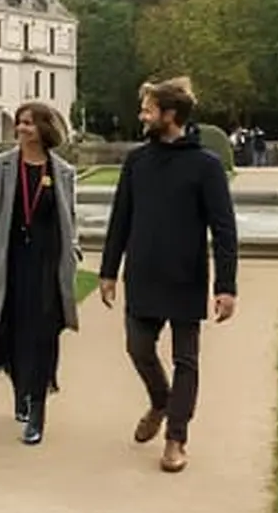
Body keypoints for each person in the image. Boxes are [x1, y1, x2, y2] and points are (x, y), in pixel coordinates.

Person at [98, 76, 238, 474]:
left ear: (169, 115)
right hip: (142, 273)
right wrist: (109, 271)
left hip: (186, 276)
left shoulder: (206, 166)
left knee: (186, 361)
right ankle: (161, 401)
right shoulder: (137, 161)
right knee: (138, 349)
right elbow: (120, 218)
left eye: (148, 109)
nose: (142, 115)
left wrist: (226, 287)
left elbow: (224, 230)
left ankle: (176, 438)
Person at [0, 102, 81, 446]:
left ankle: (37, 410)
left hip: (47, 265)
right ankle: (20, 387)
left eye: (28, 124)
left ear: (44, 129)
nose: (21, 129)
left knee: (44, 335)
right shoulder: (2, 166)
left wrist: (74, 248)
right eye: (19, 123)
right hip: (13, 262)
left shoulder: (62, 171)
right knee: (13, 330)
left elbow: (71, 217)